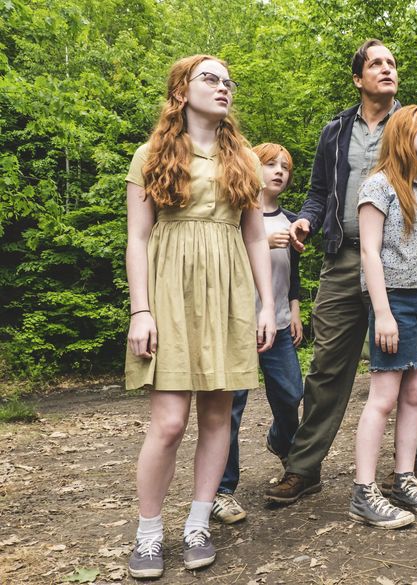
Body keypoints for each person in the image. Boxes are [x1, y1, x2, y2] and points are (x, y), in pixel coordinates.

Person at [266, 39, 417, 504]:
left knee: (414, 362)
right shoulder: (335, 132)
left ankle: (409, 468)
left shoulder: (414, 125)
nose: (386, 69)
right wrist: (305, 221)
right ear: (358, 78)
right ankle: (303, 467)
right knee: (326, 367)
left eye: (392, 63)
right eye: (376, 63)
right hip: (345, 256)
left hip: (405, 265)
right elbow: (318, 193)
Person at [124, 55, 276, 579]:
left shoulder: (246, 161)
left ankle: (197, 523)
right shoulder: (151, 155)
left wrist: (267, 304)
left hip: (229, 289)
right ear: (181, 90)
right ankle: (148, 534)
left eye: (228, 81)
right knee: (168, 423)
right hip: (168, 289)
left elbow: (255, 236)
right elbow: (138, 237)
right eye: (210, 78)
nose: (223, 87)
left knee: (218, 418)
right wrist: (140, 310)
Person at [350, 105, 417, 528]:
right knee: (384, 397)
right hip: (395, 300)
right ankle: (363, 491)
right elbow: (369, 252)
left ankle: (404, 479)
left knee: (416, 394)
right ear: (401, 132)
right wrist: (383, 313)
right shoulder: (378, 186)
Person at [211, 143, 305, 525]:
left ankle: (281, 442)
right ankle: (222, 490)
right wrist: (264, 243)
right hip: (237, 326)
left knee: (291, 393)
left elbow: (291, 275)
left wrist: (295, 311)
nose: (279, 172)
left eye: (285, 167)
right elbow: (221, 254)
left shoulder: (293, 219)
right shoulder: (234, 216)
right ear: (253, 168)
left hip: (279, 325)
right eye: (271, 165)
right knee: (230, 409)